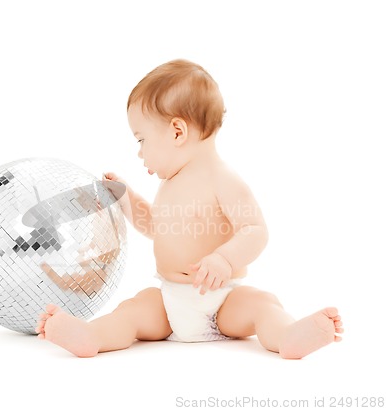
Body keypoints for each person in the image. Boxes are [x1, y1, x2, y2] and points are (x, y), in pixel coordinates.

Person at [35, 59, 343, 359]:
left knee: (261, 305)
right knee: (133, 310)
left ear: (177, 132)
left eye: (142, 140)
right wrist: (127, 198)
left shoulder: (222, 179)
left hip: (223, 300)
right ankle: (92, 337)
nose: (139, 152)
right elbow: (155, 226)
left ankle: (287, 336)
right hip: (170, 300)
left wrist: (224, 259)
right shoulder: (171, 184)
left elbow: (256, 231)